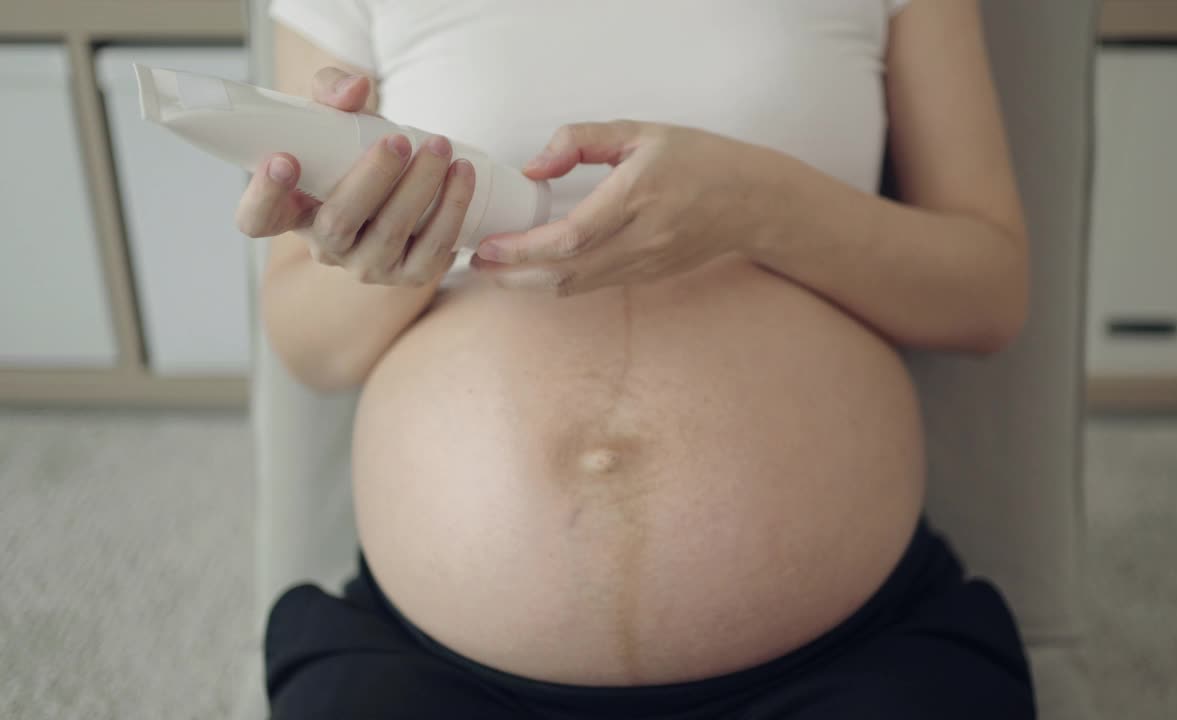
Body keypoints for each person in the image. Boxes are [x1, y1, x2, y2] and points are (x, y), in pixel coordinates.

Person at [240, 0, 1036, 717]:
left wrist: (755, 206)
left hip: (857, 659)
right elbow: (311, 345)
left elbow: (988, 294)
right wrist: (399, 241)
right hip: (431, 670)